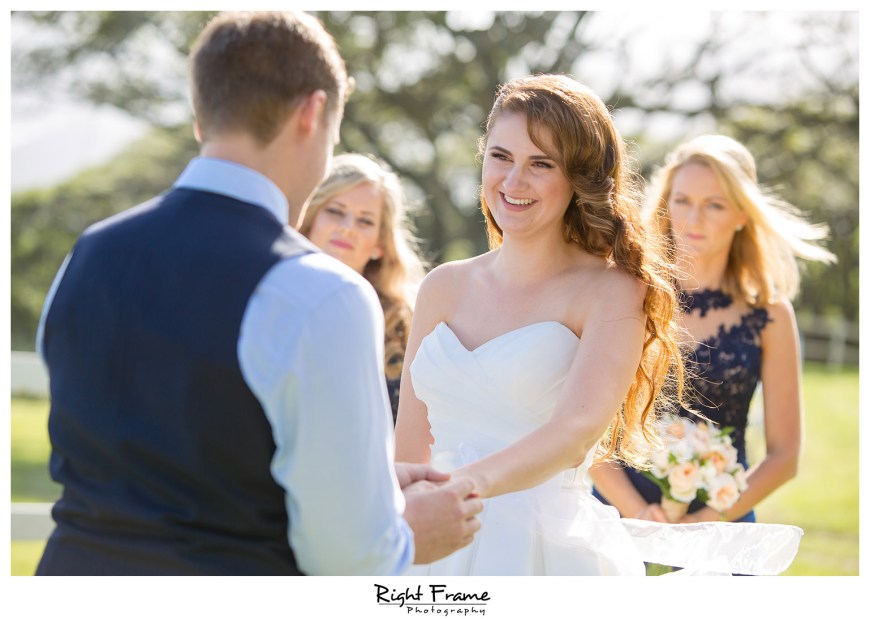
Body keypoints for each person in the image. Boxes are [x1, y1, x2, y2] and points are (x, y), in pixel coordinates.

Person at [34, 11, 481, 576]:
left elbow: (150, 455)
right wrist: (406, 534)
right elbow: (347, 557)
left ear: (202, 118)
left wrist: (363, 484)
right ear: (312, 112)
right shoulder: (321, 292)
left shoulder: (87, 254)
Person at [394, 75, 803, 576]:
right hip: (429, 541)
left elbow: (575, 432)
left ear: (579, 179)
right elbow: (408, 446)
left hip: (541, 552)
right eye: (501, 156)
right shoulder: (441, 285)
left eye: (541, 164)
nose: (513, 181)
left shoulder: (613, 290)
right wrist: (399, 520)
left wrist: (458, 487)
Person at [590, 134, 836, 526]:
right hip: (617, 518)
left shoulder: (771, 315)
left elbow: (784, 456)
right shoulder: (627, 294)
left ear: (742, 215)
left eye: (714, 205)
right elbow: (585, 424)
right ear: (667, 203)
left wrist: (708, 520)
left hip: (722, 525)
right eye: (683, 200)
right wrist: (639, 514)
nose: (693, 219)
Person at [299, 153, 426, 423]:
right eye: (335, 211)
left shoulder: (408, 324)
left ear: (380, 244)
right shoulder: (272, 300)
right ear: (310, 218)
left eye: (365, 221)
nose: (347, 229)